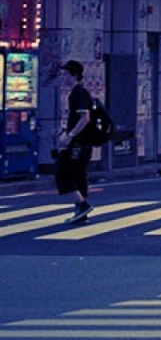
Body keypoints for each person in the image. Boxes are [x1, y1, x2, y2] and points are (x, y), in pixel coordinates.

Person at [51, 61, 95, 223]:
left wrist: (69, 135)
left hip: (77, 143)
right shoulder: (79, 92)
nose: (63, 78)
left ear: (75, 75)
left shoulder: (78, 93)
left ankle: (82, 205)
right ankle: (81, 212)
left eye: (65, 74)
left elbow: (85, 118)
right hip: (82, 143)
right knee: (78, 176)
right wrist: (63, 131)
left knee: (61, 173)